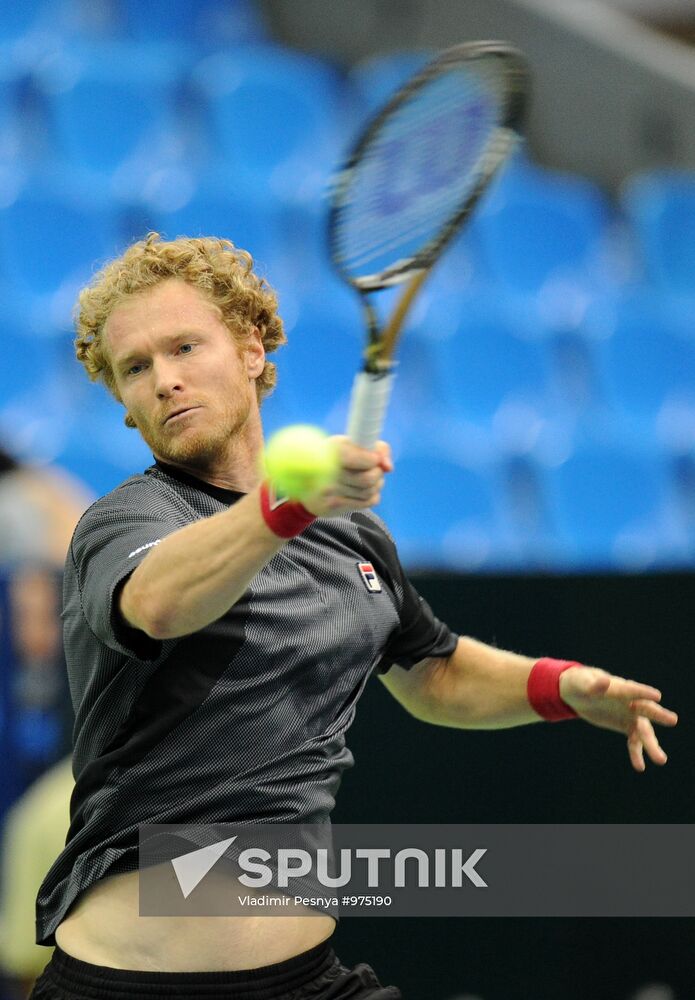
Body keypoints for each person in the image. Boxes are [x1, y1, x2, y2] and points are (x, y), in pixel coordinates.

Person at [29, 233, 678, 1000]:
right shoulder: (125, 521)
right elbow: (160, 605)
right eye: (135, 368)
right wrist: (285, 506)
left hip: (307, 979)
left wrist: (558, 686)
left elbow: (431, 669)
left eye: (183, 347)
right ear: (123, 404)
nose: (164, 380)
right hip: (135, 986)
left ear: (249, 350)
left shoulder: (350, 534)